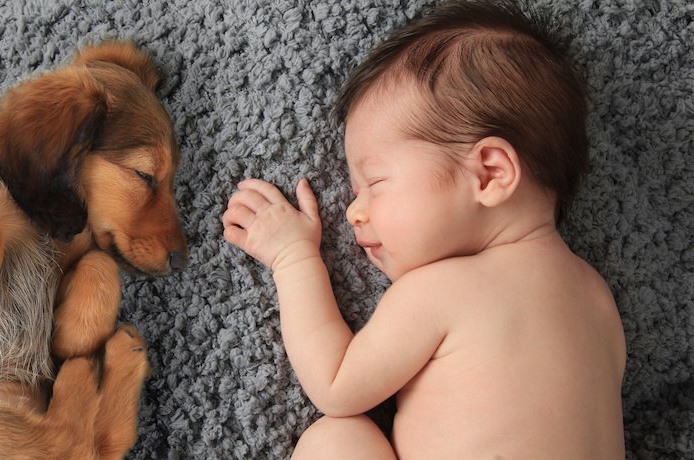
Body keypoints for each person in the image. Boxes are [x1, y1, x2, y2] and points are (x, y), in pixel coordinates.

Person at [222, 0, 626, 458]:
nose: (355, 211)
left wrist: (292, 258)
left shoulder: (443, 289)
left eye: (375, 183)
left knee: (337, 439)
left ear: (489, 174)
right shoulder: (598, 298)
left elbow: (335, 384)